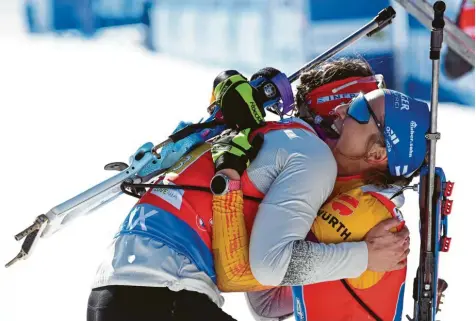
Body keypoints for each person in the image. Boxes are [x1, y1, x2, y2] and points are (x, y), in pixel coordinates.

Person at [86, 58, 410, 321]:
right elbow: (265, 270)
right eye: (358, 108)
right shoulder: (314, 158)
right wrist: (365, 258)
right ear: (336, 111)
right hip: (166, 293)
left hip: (116, 291)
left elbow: (265, 301)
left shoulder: (275, 138)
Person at [212, 64, 430, 320]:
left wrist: (229, 179)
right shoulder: (350, 193)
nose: (341, 112)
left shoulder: (358, 209)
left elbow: (258, 286)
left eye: (357, 108)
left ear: (377, 154)